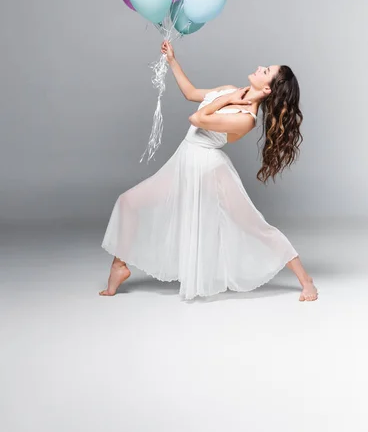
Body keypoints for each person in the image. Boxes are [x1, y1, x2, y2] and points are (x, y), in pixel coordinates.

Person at [99, 40, 318, 302]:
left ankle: (307, 282)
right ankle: (119, 266)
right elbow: (191, 94)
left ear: (268, 87)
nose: (259, 67)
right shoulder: (231, 89)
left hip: (209, 169)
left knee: (253, 225)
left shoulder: (246, 118)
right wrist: (172, 60)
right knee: (128, 202)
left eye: (265, 70)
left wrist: (228, 99)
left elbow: (197, 119)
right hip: (185, 160)